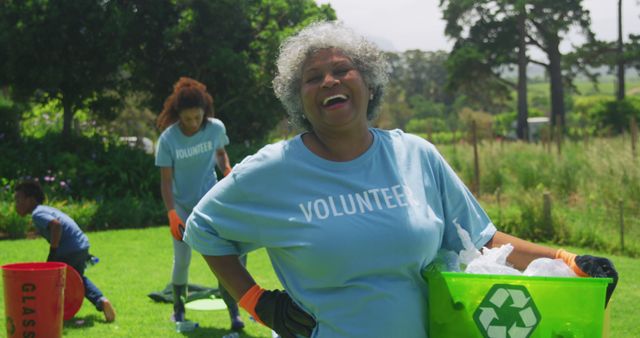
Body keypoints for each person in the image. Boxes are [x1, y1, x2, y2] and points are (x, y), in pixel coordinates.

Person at [182, 21, 618, 338]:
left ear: (369, 84)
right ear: (299, 101)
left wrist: (567, 259)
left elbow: (482, 239)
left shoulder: (416, 155)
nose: (328, 81)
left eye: (342, 69)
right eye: (312, 78)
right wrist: (256, 301)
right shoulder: (273, 170)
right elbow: (202, 228)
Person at [155, 76, 245, 330]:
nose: (193, 123)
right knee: (182, 260)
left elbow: (220, 152)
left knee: (224, 255)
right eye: (187, 119)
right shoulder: (168, 140)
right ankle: (179, 309)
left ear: (205, 113)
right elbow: (165, 181)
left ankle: (234, 314)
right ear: (178, 115)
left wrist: (226, 169)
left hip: (210, 202)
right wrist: (172, 213)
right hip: (182, 207)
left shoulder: (215, 128)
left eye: (197, 118)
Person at [14, 180, 116, 323]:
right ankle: (101, 301)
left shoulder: (37, 213)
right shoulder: (45, 209)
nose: (16, 205)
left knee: (53, 280)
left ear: (30, 200)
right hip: (80, 245)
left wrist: (53, 250)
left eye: (18, 200)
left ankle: (47, 312)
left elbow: (56, 225)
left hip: (68, 248)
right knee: (77, 278)